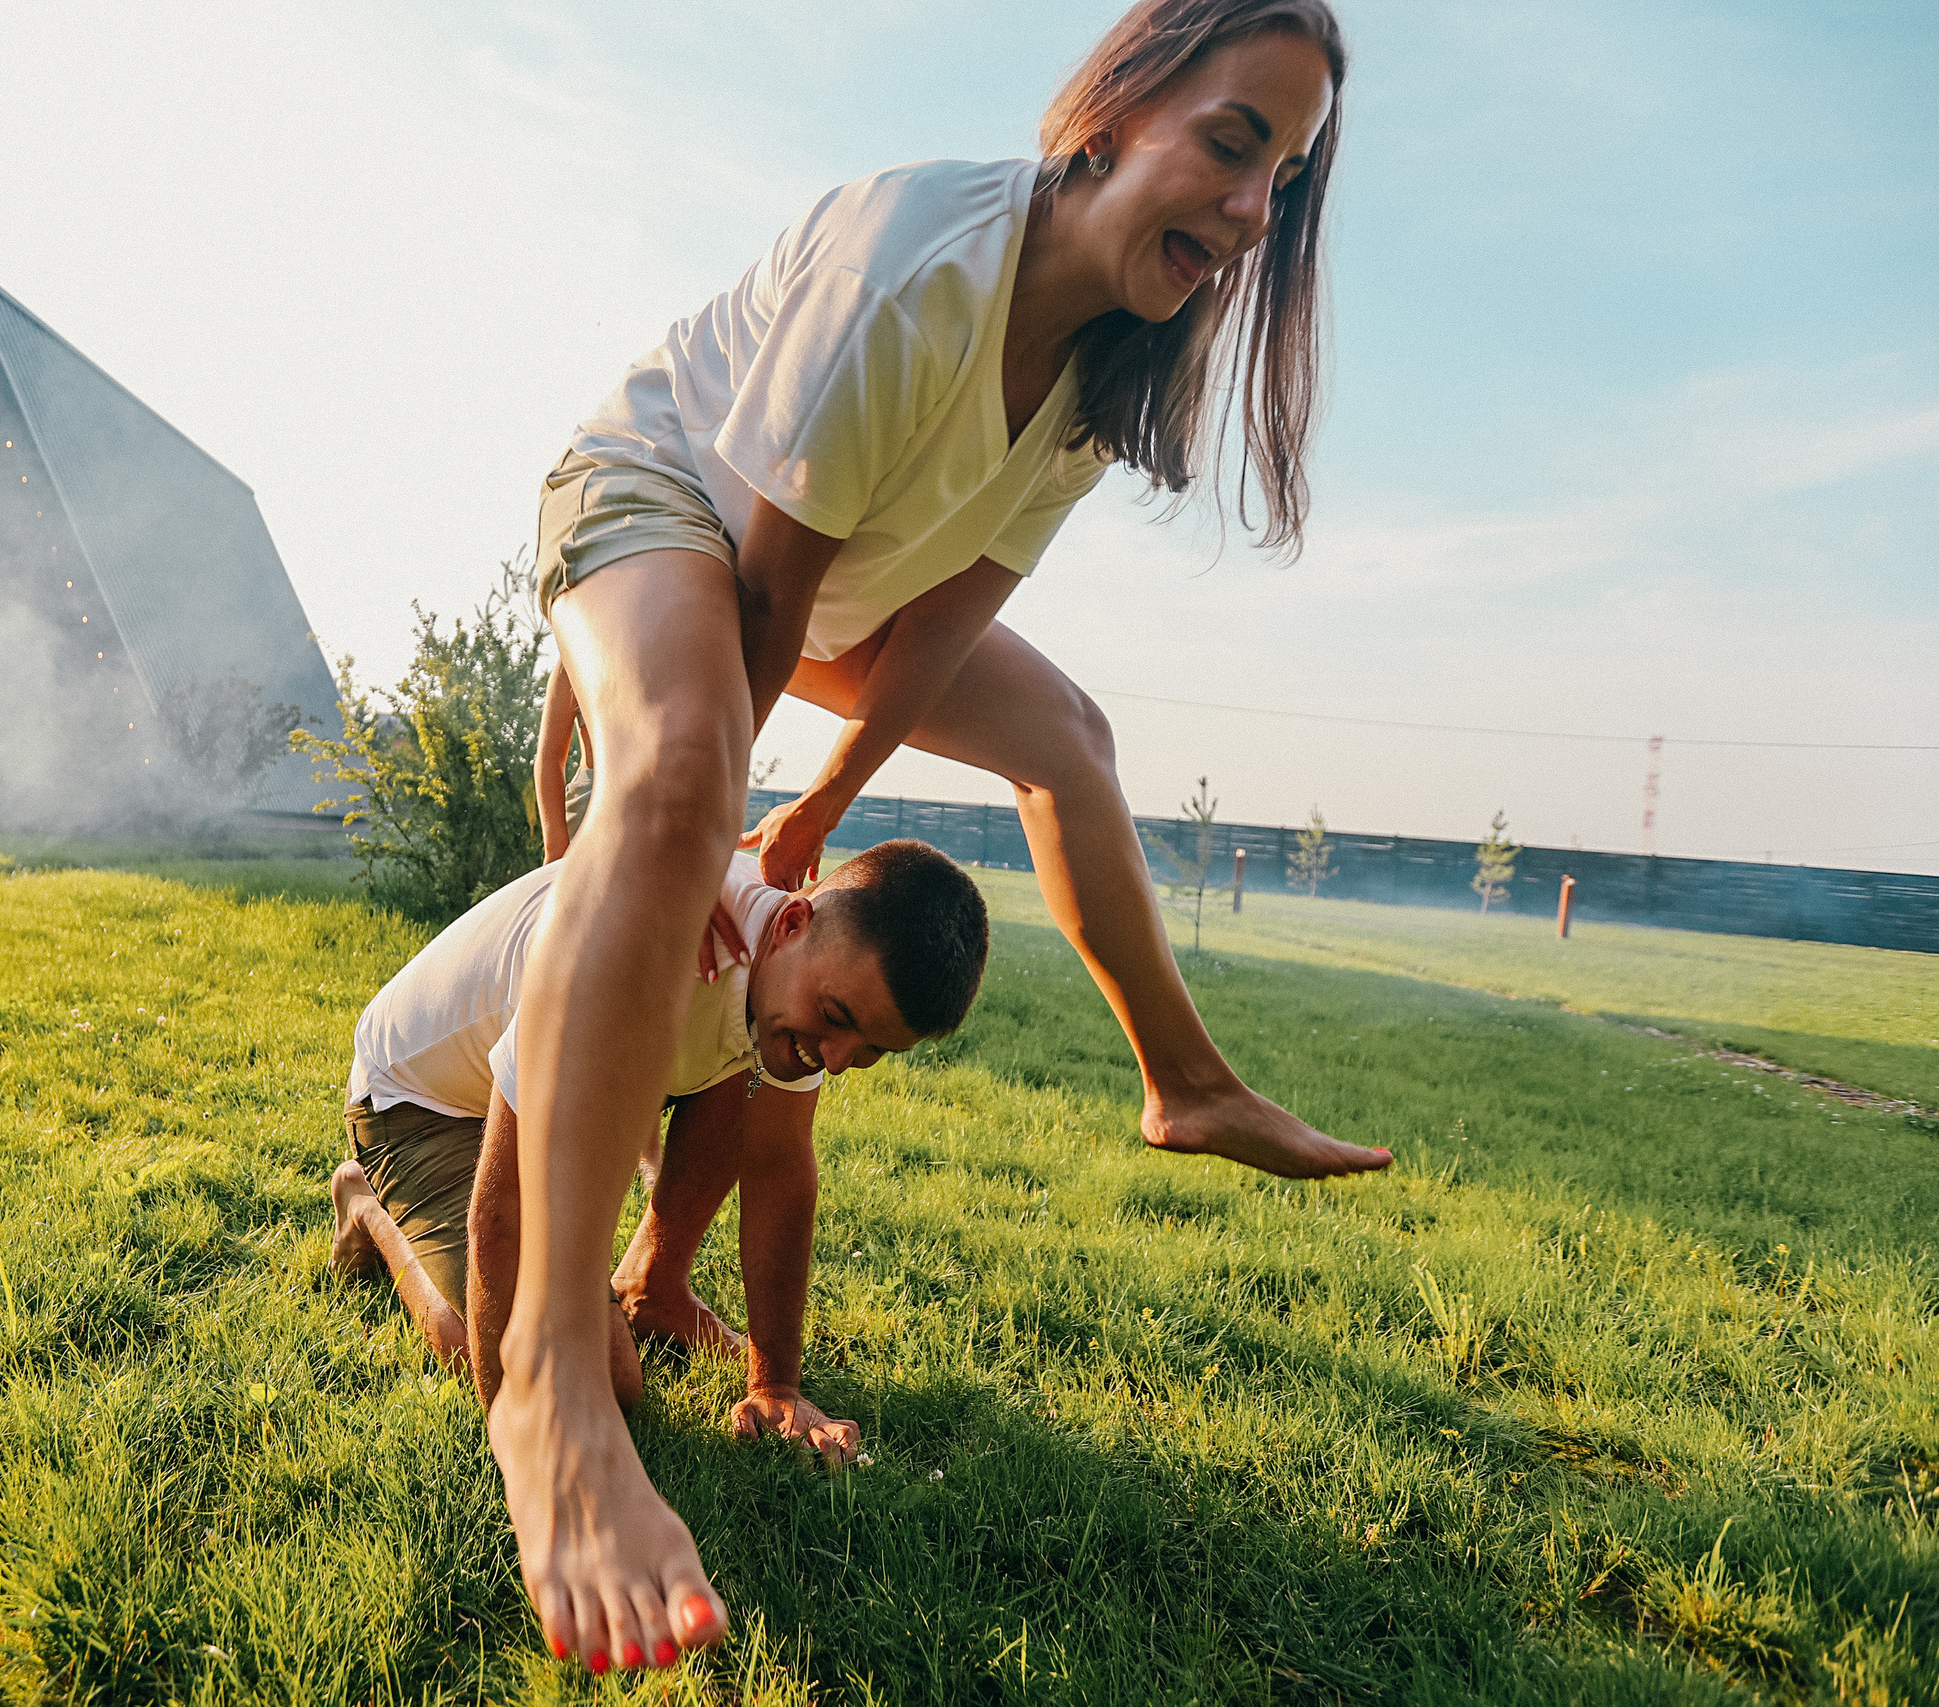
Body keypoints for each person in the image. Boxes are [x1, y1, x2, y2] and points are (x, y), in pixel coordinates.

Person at [492, 0, 1381, 1670]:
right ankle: (546, 1376)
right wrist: (711, 833)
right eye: (1236, 143)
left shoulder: (1117, 358)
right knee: (685, 773)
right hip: (662, 494)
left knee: (1070, 736)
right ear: (1115, 110)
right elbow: (760, 590)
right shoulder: (920, 264)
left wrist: (823, 803)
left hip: (840, 582)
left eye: (1287, 182)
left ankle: (1183, 1082)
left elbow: (935, 628)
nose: (1256, 214)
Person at [331, 839, 989, 1515]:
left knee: (764, 1061)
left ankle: (655, 1285)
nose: (840, 1056)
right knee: (570, 1372)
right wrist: (526, 1457)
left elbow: (779, 1165)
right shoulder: (625, 952)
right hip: (422, 1102)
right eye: (839, 1021)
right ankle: (366, 1206)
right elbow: (502, 1214)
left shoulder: (802, 980)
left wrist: (777, 1386)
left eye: (875, 1048)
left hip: (564, 1087)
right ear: (792, 923)